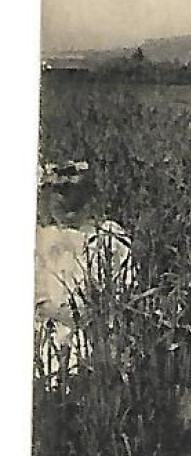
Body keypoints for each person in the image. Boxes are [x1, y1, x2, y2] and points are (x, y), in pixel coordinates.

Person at [34, 159, 132, 381]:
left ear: (89, 193)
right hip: (47, 339)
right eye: (58, 190)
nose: (66, 200)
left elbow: (125, 291)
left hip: (97, 338)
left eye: (73, 191)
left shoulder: (109, 235)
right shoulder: (39, 238)